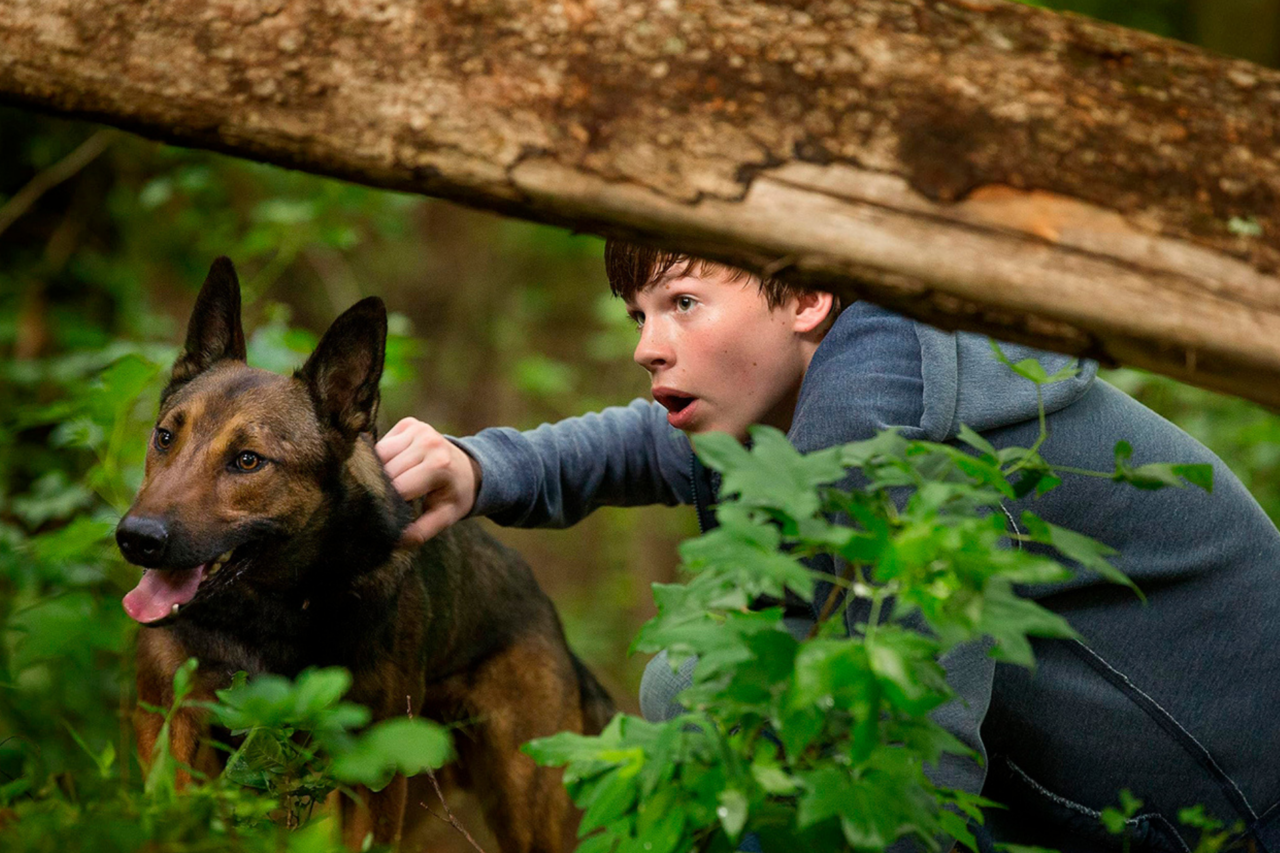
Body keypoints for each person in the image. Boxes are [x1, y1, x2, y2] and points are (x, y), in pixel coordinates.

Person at [375, 241, 1280, 852]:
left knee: (729, 697)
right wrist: (480, 466)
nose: (650, 347)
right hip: (1134, 796)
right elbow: (650, 439)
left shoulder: (905, 452)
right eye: (639, 315)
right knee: (711, 687)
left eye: (685, 302)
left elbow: (912, 753)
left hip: (1237, 814)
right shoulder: (848, 380)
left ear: (808, 298)